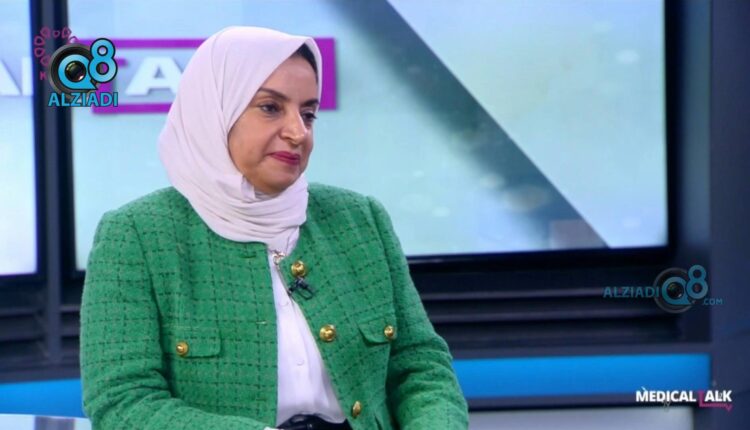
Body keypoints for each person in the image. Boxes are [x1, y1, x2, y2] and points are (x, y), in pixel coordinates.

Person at [79, 26, 468, 430]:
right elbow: (123, 402)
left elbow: (420, 367)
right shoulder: (138, 235)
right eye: (270, 107)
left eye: (308, 114)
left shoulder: (360, 219)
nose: (298, 132)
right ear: (216, 111)